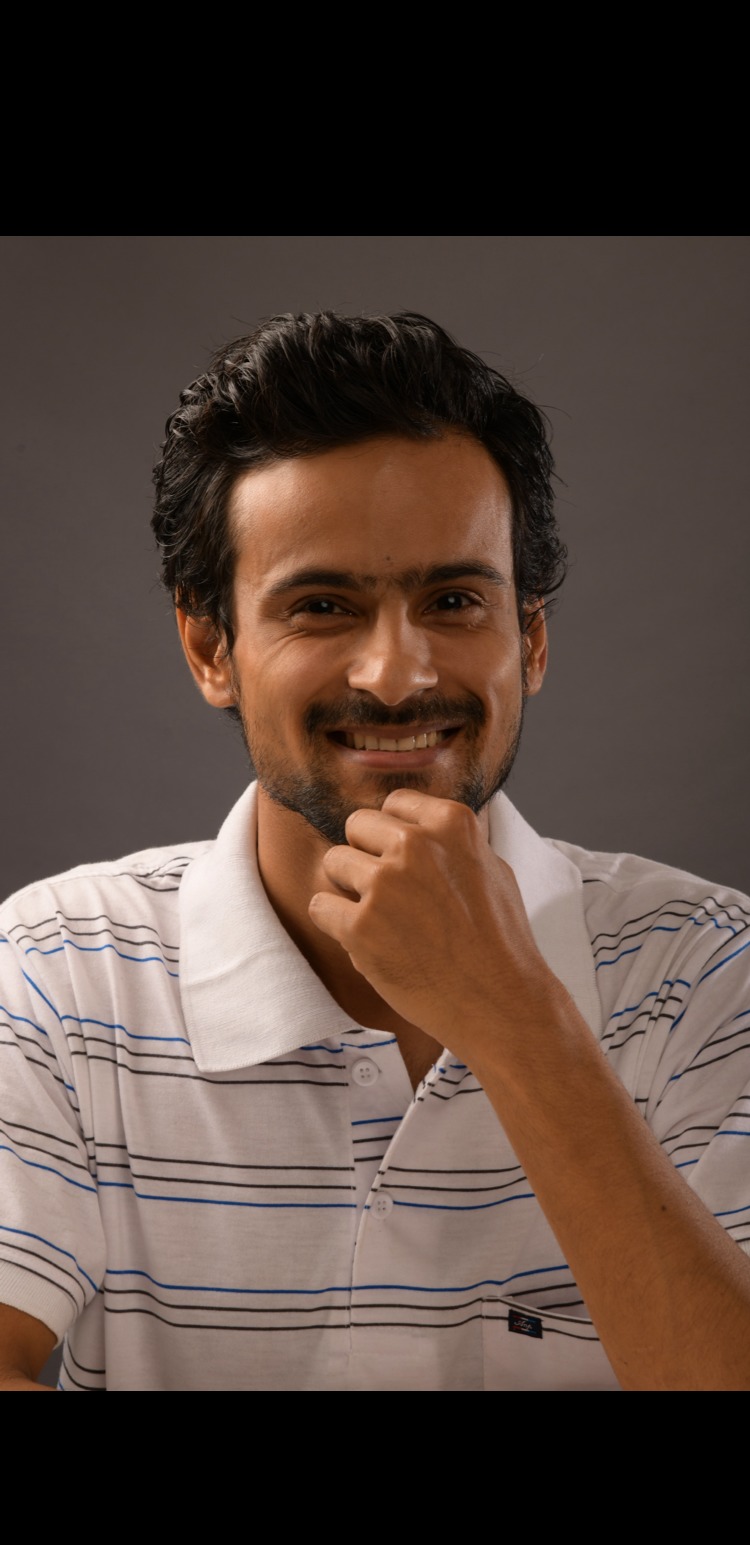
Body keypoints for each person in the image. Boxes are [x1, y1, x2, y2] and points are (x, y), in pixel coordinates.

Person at [1, 310, 749, 1392]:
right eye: (322, 606)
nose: (396, 675)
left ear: (531, 638)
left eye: (454, 601)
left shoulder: (712, 973)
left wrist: (517, 1021)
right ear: (211, 647)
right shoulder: (52, 972)